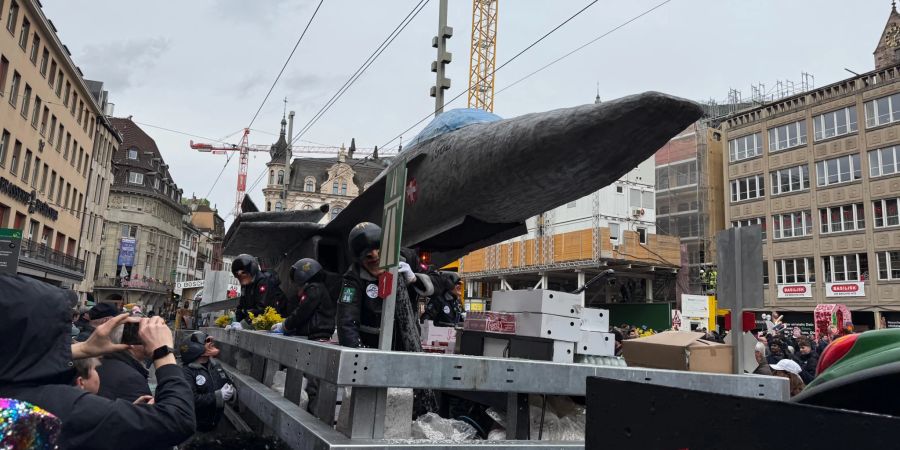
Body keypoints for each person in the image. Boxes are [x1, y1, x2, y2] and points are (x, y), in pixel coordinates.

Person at [0, 274, 196, 449]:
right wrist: (163, 353)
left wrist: (82, 349)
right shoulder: (58, 408)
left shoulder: (10, 401)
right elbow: (177, 420)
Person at [336, 222, 388, 348]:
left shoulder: (406, 259)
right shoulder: (352, 279)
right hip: (371, 346)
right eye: (369, 258)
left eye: (379, 252)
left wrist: (415, 279)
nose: (375, 256)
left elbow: (439, 282)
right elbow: (346, 321)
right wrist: (358, 355)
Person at [180, 331, 235, 434]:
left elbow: (227, 383)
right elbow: (192, 399)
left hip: (215, 424)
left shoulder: (215, 366)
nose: (211, 343)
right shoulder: (187, 371)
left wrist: (231, 393)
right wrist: (219, 396)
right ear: (194, 348)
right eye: (207, 341)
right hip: (195, 429)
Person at [272, 258, 341, 340]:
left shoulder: (314, 289)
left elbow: (302, 311)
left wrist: (285, 325)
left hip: (316, 336)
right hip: (315, 335)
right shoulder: (318, 288)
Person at [231, 253, 287, 328]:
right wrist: (235, 320)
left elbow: (262, 308)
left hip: (273, 323)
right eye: (238, 275)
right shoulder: (246, 285)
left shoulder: (263, 282)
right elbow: (242, 305)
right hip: (258, 322)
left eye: (243, 273)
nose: (241, 278)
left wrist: (243, 324)